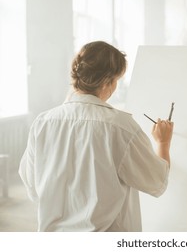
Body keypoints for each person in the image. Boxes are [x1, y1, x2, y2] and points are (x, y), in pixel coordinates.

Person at [19, 41, 174, 231]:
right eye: (117, 80)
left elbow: (33, 186)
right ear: (107, 81)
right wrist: (164, 142)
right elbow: (156, 181)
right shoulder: (121, 127)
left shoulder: (43, 123)